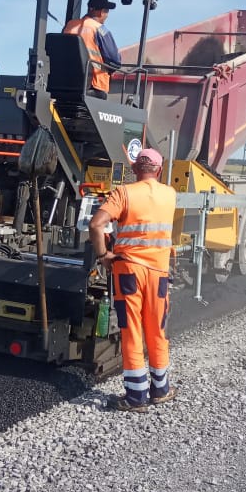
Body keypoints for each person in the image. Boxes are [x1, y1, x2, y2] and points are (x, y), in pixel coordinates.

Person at [89, 148, 177, 412]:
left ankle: (136, 396)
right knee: (156, 330)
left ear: (135, 169)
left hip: (129, 272)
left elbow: (95, 225)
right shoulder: (170, 194)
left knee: (132, 330)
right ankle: (160, 388)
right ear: (159, 171)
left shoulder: (124, 193)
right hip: (159, 273)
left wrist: (103, 254)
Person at [63, 0, 122, 97]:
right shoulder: (100, 30)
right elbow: (115, 61)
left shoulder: (70, 25)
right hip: (94, 84)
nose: (107, 15)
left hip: (66, 82)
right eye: (106, 11)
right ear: (100, 12)